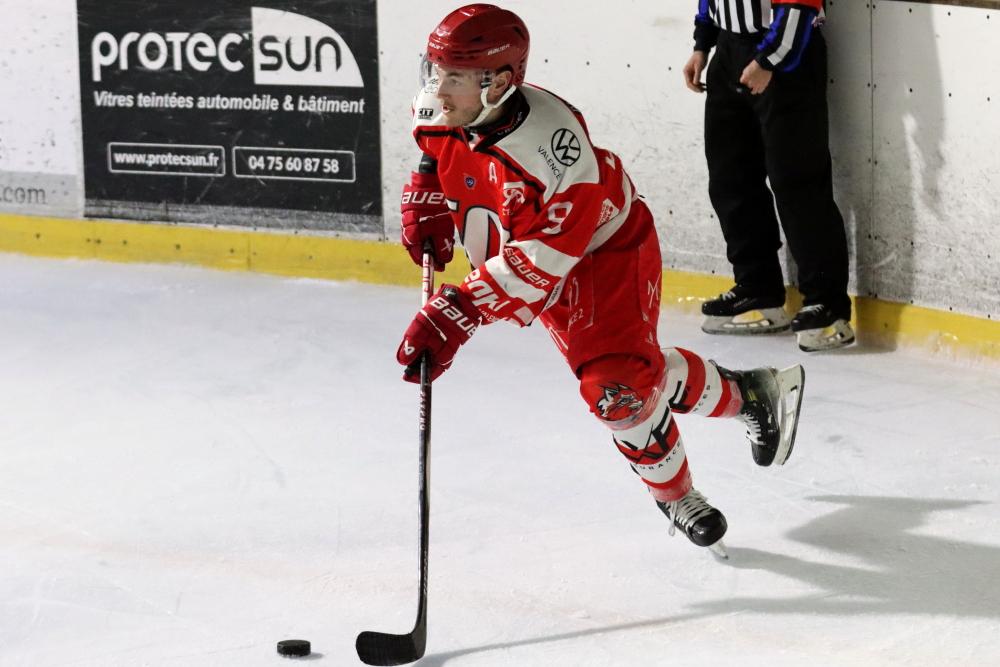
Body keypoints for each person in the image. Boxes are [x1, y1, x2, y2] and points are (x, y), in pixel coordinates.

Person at [395, 4, 805, 553]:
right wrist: (426, 192)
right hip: (536, 260)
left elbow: (543, 258)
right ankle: (751, 394)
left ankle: (677, 495)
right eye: (437, 71)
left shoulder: (554, 150)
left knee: (614, 387)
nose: (438, 89)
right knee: (631, 370)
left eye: (457, 78)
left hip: (604, 253)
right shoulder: (444, 105)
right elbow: (433, 147)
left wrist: (459, 312)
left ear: (500, 82)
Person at [682, 0, 855, 352]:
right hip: (729, 51)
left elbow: (801, 3)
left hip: (788, 58)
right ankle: (756, 284)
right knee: (731, 177)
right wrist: (703, 43)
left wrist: (769, 59)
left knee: (798, 183)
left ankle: (826, 302)